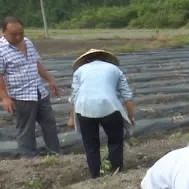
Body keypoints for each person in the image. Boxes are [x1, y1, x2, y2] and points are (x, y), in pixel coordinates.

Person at [67, 49, 136, 178]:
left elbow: (74, 96)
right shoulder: (114, 69)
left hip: (84, 108)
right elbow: (127, 95)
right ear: (105, 58)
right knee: (115, 141)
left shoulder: (80, 71)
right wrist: (131, 116)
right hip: (109, 106)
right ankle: (116, 172)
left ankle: (95, 175)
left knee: (91, 145)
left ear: (87, 60)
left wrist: (71, 118)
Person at [0, 16, 61, 156]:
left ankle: (56, 155)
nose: (18, 36)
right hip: (21, 96)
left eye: (21, 33)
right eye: (14, 34)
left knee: (50, 125)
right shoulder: (1, 50)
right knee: (26, 130)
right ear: (3, 32)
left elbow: (36, 63)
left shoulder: (27, 42)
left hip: (39, 91)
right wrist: (4, 98)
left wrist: (50, 79)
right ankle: (29, 160)